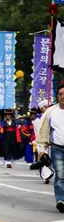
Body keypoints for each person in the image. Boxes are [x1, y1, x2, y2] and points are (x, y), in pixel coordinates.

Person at [36, 84, 64, 213]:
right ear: (57, 96)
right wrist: (41, 150)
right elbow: (44, 131)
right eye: (60, 94)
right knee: (60, 174)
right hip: (57, 148)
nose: (63, 97)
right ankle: (61, 200)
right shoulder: (51, 111)